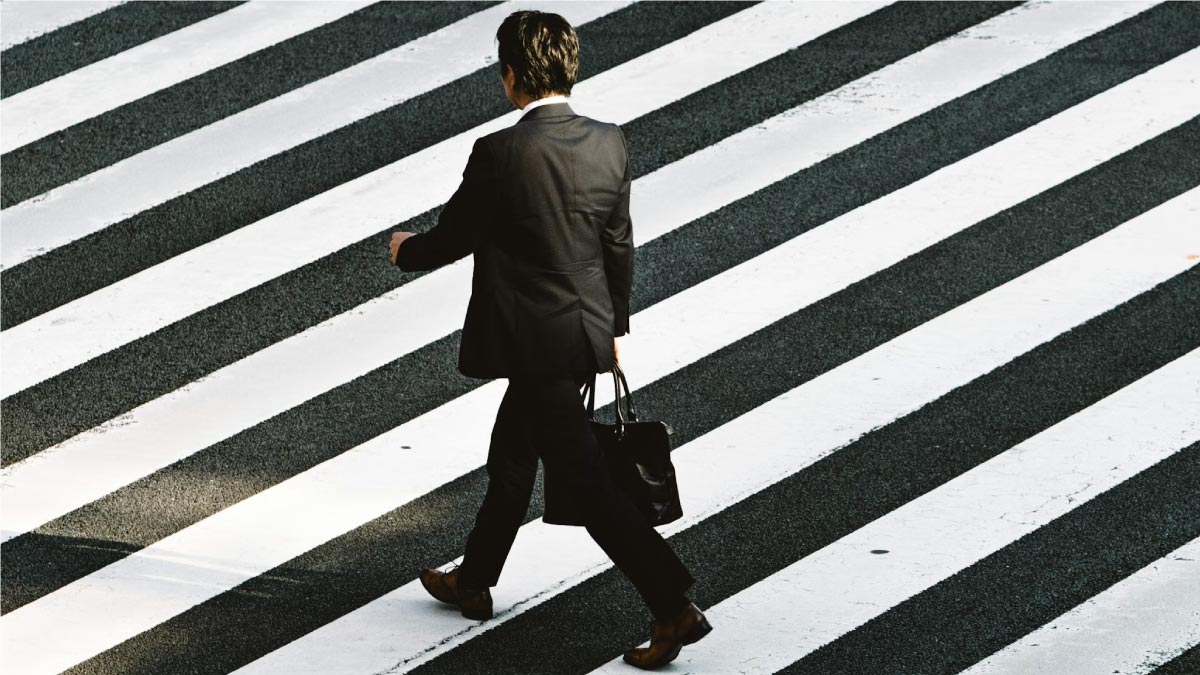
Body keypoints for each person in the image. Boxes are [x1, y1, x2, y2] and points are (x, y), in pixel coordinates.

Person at [388, 9, 711, 670]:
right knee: (513, 453)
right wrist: (612, 328)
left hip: (529, 341)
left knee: (587, 485)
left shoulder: (501, 153)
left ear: (511, 78)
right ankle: (475, 576)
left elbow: (453, 237)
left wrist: (402, 251)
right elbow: (617, 246)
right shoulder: (609, 143)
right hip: (580, 333)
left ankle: (673, 603)